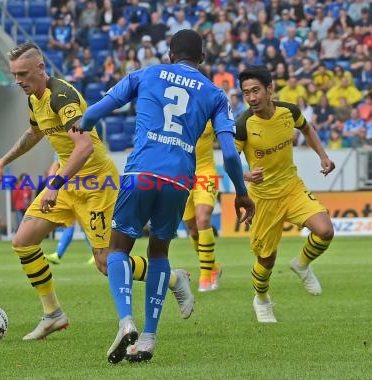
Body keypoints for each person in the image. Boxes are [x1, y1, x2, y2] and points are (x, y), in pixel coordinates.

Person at [0, 42, 195, 341]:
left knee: (105, 262)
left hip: (96, 183)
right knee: (23, 241)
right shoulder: (35, 98)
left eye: (23, 73)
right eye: (14, 74)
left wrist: (54, 185)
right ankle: (53, 314)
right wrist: (3, 161)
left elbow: (83, 147)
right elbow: (35, 132)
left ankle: (175, 278)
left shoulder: (62, 97)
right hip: (67, 183)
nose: (18, 80)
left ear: (41, 68)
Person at [78, 29, 255, 363]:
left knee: (117, 248)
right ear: (202, 59)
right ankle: (147, 338)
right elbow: (231, 156)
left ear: (170, 54)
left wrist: (83, 124)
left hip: (141, 173)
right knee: (159, 252)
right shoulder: (216, 94)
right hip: (178, 182)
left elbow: (97, 110)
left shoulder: (145, 74)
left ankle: (126, 320)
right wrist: (242, 194)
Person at [236, 66, 336, 323]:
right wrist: (245, 176)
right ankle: (262, 299)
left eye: (256, 90)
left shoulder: (288, 111)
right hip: (263, 198)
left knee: (325, 230)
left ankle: (301, 264)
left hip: (292, 187)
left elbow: (308, 129)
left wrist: (323, 156)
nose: (252, 98)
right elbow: (229, 160)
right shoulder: (243, 124)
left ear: (270, 89)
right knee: (266, 260)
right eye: (246, 93)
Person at [182, 121, 222, 292]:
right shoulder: (174, 108)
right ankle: (214, 268)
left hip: (206, 172)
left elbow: (228, 138)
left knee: (204, 218)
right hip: (182, 176)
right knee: (192, 230)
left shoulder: (210, 107)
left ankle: (205, 276)